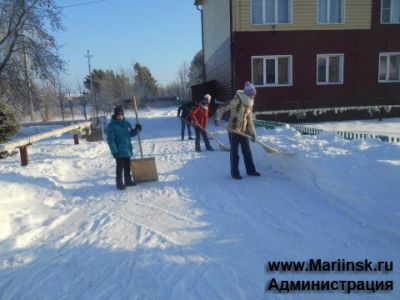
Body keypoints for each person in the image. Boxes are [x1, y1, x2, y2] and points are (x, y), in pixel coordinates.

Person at [214, 82, 261, 179]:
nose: (254, 96)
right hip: (233, 130)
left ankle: (251, 171)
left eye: (254, 95)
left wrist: (252, 132)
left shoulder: (250, 104)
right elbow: (222, 107)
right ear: (248, 94)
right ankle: (235, 173)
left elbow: (249, 120)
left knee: (247, 152)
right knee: (234, 152)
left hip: (243, 131)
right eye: (253, 94)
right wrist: (217, 118)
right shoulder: (237, 100)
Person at [107, 106, 142, 190]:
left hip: (127, 149)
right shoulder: (112, 126)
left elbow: (130, 134)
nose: (120, 116)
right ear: (115, 115)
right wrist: (114, 151)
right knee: (119, 167)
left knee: (127, 166)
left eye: (121, 114)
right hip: (119, 150)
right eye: (118, 115)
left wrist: (137, 129)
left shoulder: (126, 123)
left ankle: (128, 181)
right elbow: (110, 140)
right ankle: (119, 183)